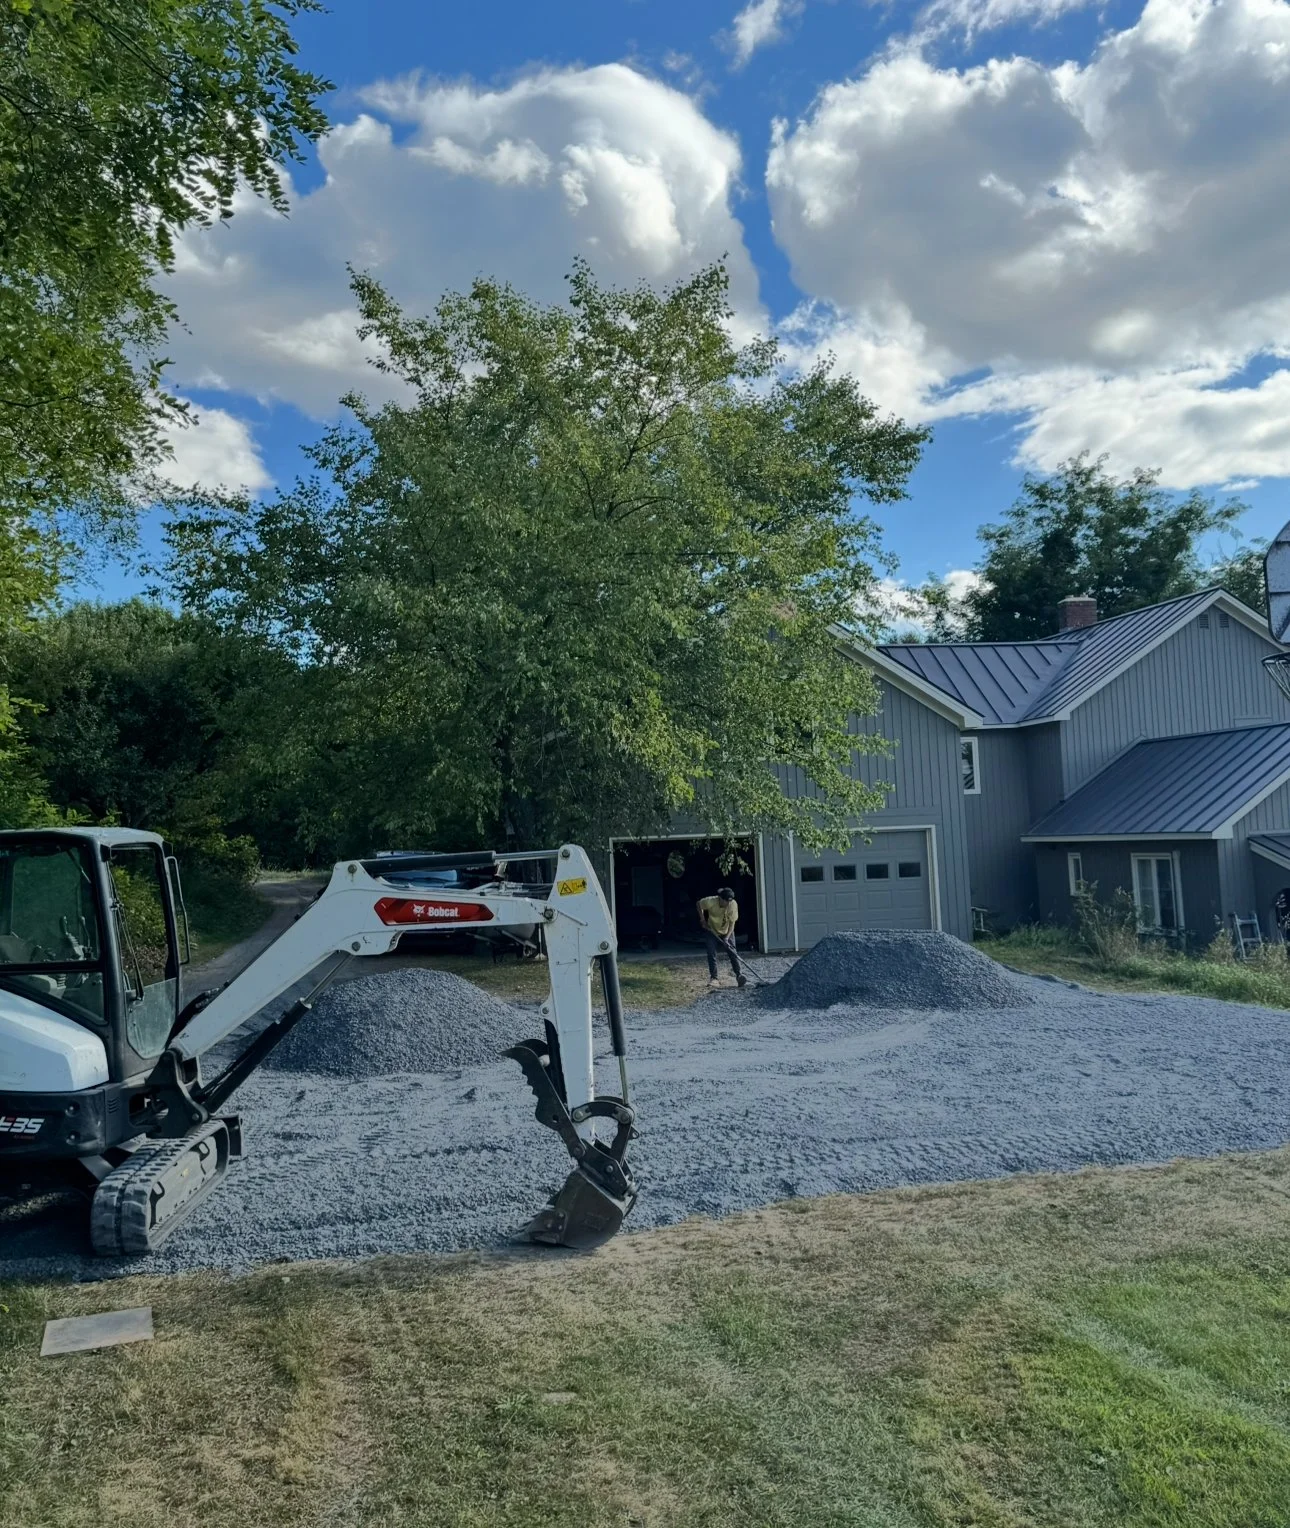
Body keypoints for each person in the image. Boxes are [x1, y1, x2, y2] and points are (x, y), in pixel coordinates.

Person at [698, 886, 747, 989]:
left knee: (732, 952)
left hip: (727, 931)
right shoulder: (710, 901)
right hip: (712, 930)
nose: (728, 904)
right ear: (720, 898)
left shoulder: (732, 905)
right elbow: (699, 904)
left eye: (730, 901)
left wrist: (727, 938)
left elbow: (732, 924)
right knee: (711, 953)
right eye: (726, 901)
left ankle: (739, 975)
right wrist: (702, 919)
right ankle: (714, 978)